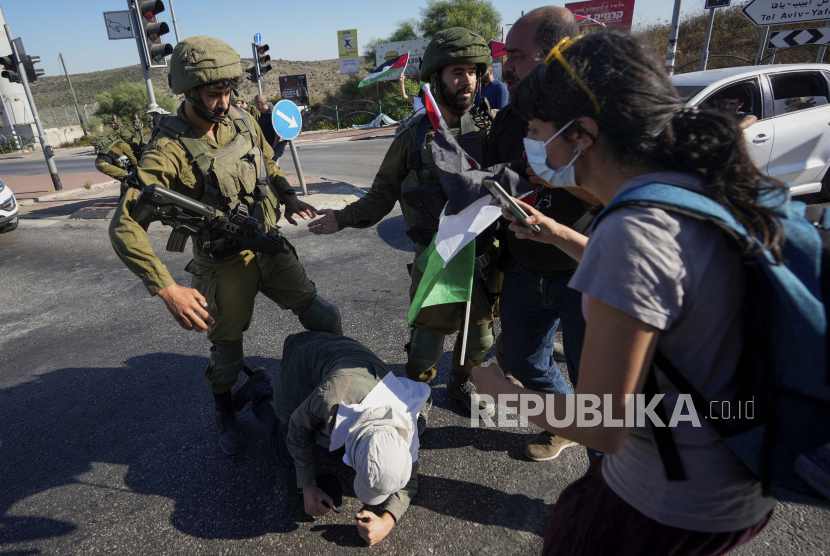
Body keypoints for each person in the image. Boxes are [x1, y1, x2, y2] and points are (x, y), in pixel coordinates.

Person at [473, 29, 779, 555]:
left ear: (581, 134)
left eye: (538, 129)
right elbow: (665, 284)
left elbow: (601, 424)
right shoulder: (692, 186)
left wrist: (498, 390)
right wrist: (563, 235)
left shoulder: (632, 230)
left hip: (662, 503)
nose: (530, 144)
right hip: (734, 481)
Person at [109, 36, 342, 456]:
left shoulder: (242, 118)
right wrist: (167, 289)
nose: (224, 102)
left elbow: (266, 159)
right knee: (228, 360)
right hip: (222, 264)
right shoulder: (168, 150)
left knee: (326, 318)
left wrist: (287, 195)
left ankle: (329, 392)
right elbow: (125, 225)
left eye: (229, 91)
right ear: (189, 91)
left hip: (268, 246)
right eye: (214, 94)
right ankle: (224, 408)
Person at [308, 28, 500, 423]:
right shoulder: (413, 137)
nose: (466, 80)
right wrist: (341, 218)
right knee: (427, 347)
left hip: (486, 259)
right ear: (436, 78)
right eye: (455, 72)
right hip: (434, 259)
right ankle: (418, 394)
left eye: (471, 71)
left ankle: (462, 382)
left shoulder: (495, 130)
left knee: (480, 338)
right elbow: (381, 195)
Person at [485, 6, 597, 462]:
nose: (506, 66)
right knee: (526, 362)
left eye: (517, 54)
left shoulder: (596, 127)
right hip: (526, 272)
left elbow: (620, 203)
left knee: (600, 399)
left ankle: (604, 494)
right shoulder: (509, 119)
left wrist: (500, 395)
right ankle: (566, 422)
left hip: (583, 276)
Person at [232, 331, 428, 546]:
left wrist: (387, 520)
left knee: (325, 440)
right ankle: (258, 387)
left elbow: (409, 480)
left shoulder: (406, 424)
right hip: (303, 360)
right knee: (285, 450)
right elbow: (298, 427)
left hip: (346, 368)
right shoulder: (331, 401)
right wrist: (307, 486)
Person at [254, 94, 288, 162]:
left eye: (255, 104)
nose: (255, 106)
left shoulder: (271, 115)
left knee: (273, 169)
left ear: (259, 104)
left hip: (272, 149)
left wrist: (274, 147)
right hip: (265, 149)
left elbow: (277, 132)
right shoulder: (262, 115)